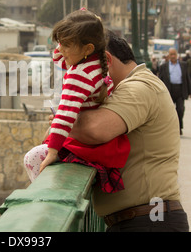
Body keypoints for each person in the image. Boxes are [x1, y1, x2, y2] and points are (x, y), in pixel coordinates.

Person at [68, 32, 189, 232]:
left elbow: (95, 129)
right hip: (143, 220)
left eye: (83, 68)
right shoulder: (130, 87)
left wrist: (62, 119)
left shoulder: (140, 87)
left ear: (106, 60)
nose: (81, 76)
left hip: (150, 221)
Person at [23, 9, 130, 193]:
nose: (60, 50)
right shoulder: (95, 62)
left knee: (32, 158)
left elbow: (65, 114)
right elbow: (58, 57)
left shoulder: (79, 74)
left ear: (87, 48)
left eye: (66, 45)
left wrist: (53, 152)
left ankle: (43, 196)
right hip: (106, 144)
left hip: (87, 146)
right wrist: (76, 26)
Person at [159, 48, 191, 135]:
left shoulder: (183, 65)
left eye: (174, 54)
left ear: (177, 55)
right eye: (171, 54)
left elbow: (187, 78)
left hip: (180, 90)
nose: (173, 56)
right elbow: (160, 80)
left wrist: (189, 91)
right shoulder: (164, 66)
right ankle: (170, 128)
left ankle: (179, 127)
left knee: (180, 109)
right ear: (168, 55)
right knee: (169, 111)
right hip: (169, 91)